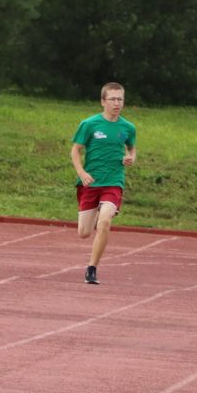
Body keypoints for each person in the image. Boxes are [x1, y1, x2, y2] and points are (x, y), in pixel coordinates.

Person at [70, 82, 137, 286]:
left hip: (113, 182)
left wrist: (131, 157)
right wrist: (81, 172)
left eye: (120, 99)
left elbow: (132, 149)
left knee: (105, 221)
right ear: (103, 101)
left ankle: (92, 268)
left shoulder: (128, 128)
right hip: (91, 183)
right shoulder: (89, 124)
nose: (117, 103)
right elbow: (75, 150)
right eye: (112, 99)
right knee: (84, 232)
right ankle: (98, 212)